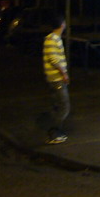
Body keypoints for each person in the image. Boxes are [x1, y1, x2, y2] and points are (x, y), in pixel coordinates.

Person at [43, 14, 70, 144]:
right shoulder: (53, 39)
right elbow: (54, 59)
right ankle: (54, 132)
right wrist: (64, 74)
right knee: (64, 106)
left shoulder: (51, 38)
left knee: (56, 105)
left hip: (53, 78)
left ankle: (56, 132)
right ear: (62, 25)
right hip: (56, 79)